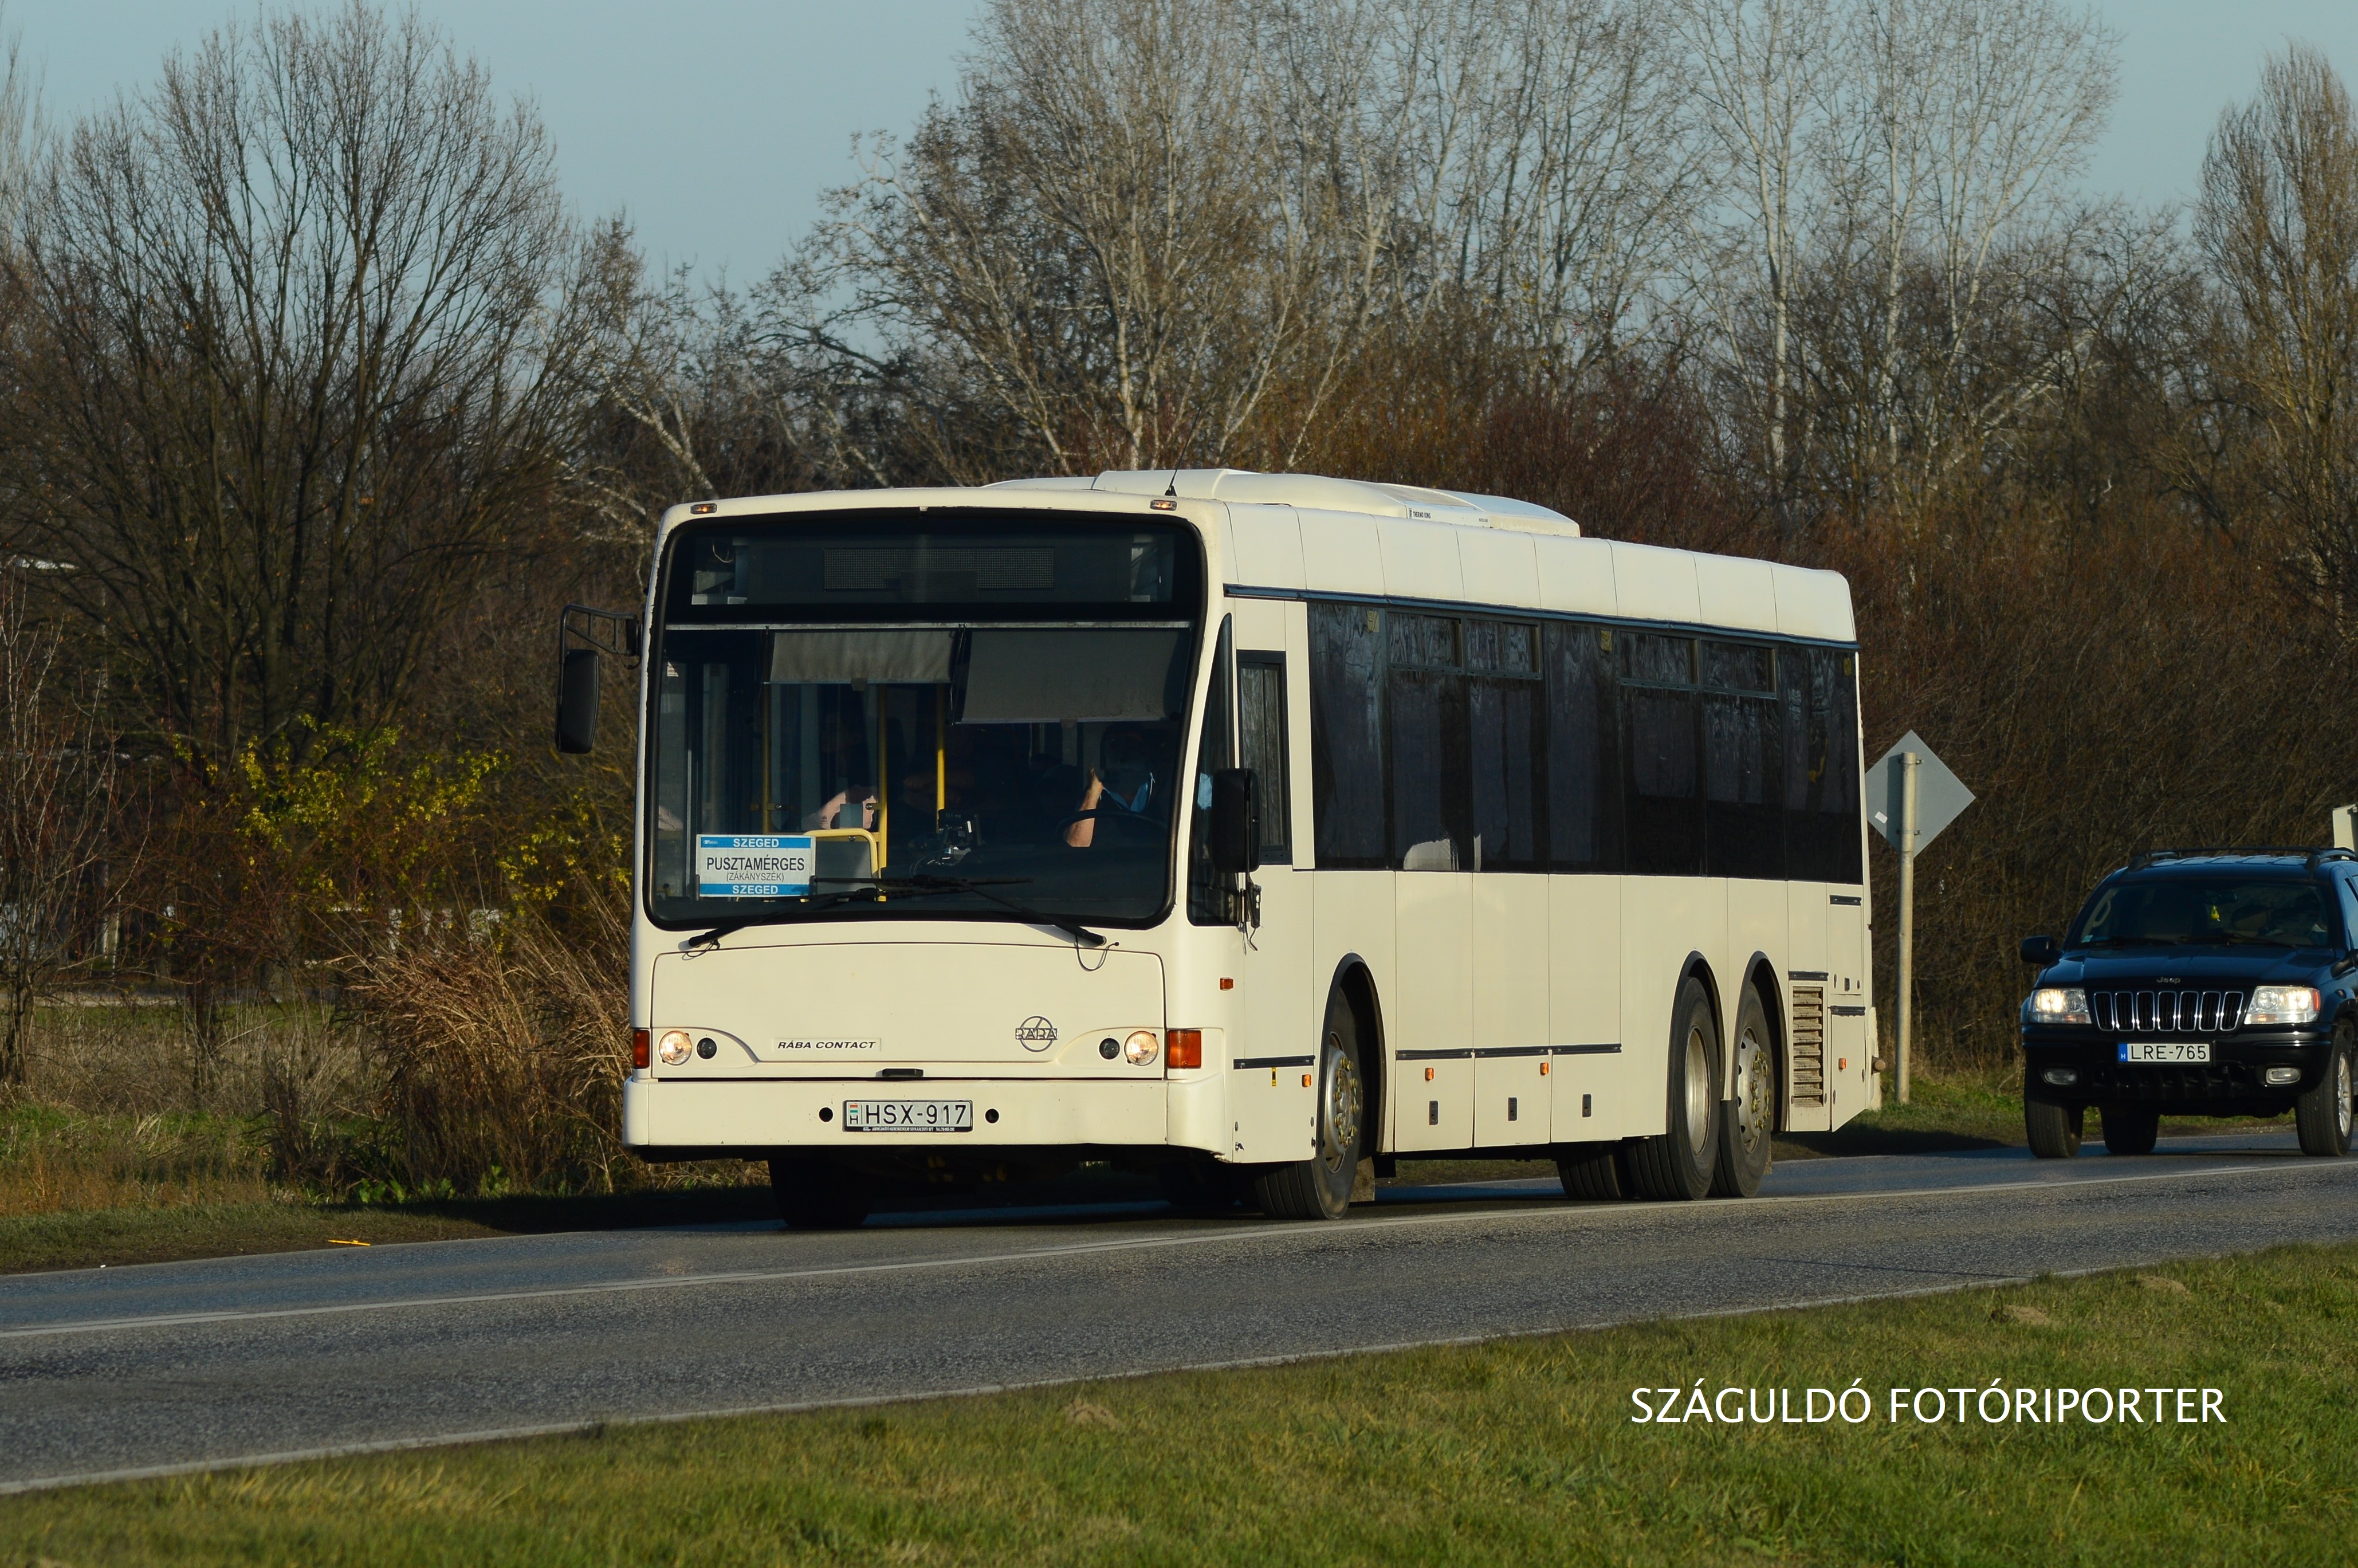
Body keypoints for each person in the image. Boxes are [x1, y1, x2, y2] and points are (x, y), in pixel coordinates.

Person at [1065, 726, 1158, 848]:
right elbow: (1075, 846)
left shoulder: (1164, 788)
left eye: (1132, 747)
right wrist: (1094, 790)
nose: (1123, 757)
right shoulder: (1092, 797)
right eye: (1116, 747)